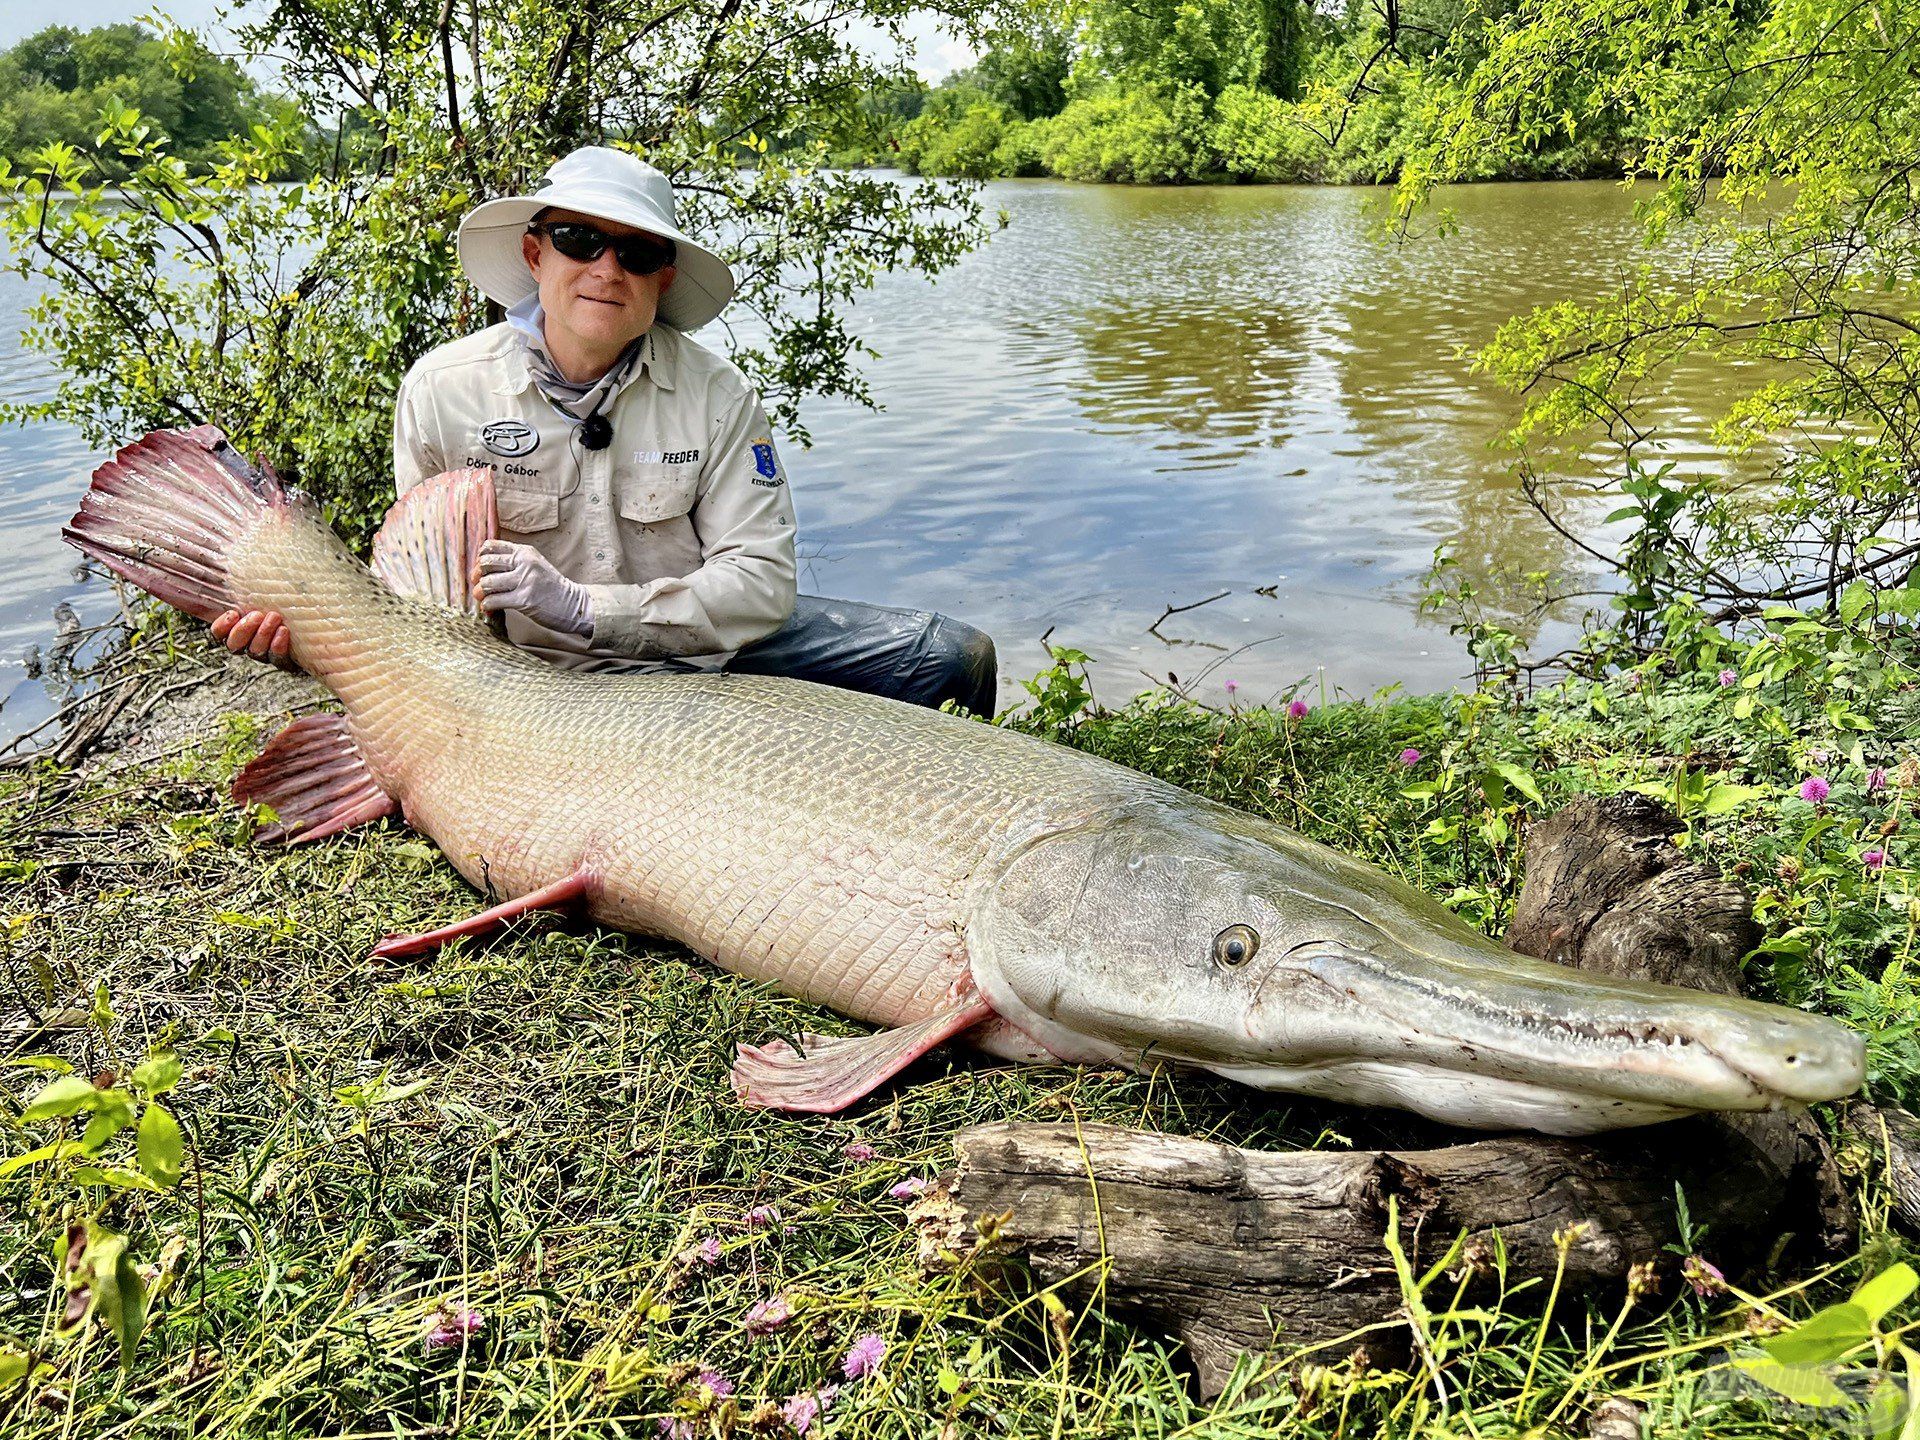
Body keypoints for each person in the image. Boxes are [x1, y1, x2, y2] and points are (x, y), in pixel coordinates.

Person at [213, 146, 997, 715]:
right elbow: (421, 598)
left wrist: (591, 610)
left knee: (950, 658)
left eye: (637, 250)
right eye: (580, 241)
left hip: (701, 660)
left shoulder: (719, 395)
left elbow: (759, 584)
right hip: (523, 679)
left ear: (662, 276)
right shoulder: (442, 391)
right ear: (534, 252)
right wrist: (310, 639)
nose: (606, 268)